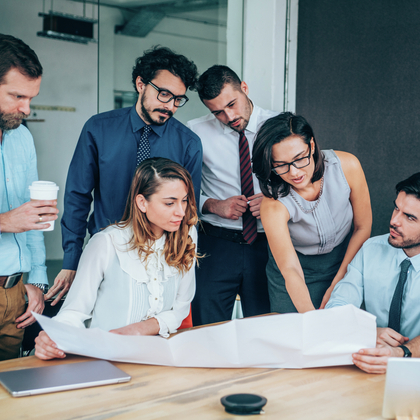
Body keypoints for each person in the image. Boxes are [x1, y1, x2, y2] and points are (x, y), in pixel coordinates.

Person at [47, 46, 202, 306]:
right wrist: (71, 261)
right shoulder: (98, 128)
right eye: (163, 94)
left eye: (178, 99)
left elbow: (186, 211)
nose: (170, 106)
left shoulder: (188, 143)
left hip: (160, 261)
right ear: (141, 84)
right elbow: (78, 197)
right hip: (104, 254)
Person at [35, 158, 198, 360]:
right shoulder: (106, 243)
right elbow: (74, 312)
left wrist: (142, 329)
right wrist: (52, 337)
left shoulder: (187, 236)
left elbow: (181, 308)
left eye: (184, 200)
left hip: (158, 358)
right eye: (170, 203)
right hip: (103, 359)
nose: (181, 212)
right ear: (142, 202)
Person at [252, 112, 372, 313]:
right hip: (295, 272)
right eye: (281, 165)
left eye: (300, 159)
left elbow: (363, 227)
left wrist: (339, 282)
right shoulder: (272, 203)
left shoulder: (347, 166)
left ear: (313, 146)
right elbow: (290, 269)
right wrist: (312, 318)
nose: (294, 172)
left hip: (346, 260)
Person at [187, 65, 276, 325]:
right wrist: (212, 204)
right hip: (215, 244)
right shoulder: (195, 132)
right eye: (217, 112)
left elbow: (303, 184)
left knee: (265, 327)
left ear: (244, 88)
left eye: (232, 104)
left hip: (268, 243)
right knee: (207, 329)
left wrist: (275, 202)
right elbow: (180, 188)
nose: (228, 116)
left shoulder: (281, 125)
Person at [0, 34, 59, 360]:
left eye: (31, 97)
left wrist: (37, 279)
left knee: (10, 394)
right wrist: (6, 221)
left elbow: (35, 216)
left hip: (15, 293)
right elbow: (16, 220)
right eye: (17, 96)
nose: (26, 108)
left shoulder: (21, 137)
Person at [326, 172, 420, 373]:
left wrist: (402, 352)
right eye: (396, 208)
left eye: (410, 217)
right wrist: (365, 332)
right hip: (367, 366)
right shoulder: (370, 249)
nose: (394, 221)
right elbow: (336, 309)